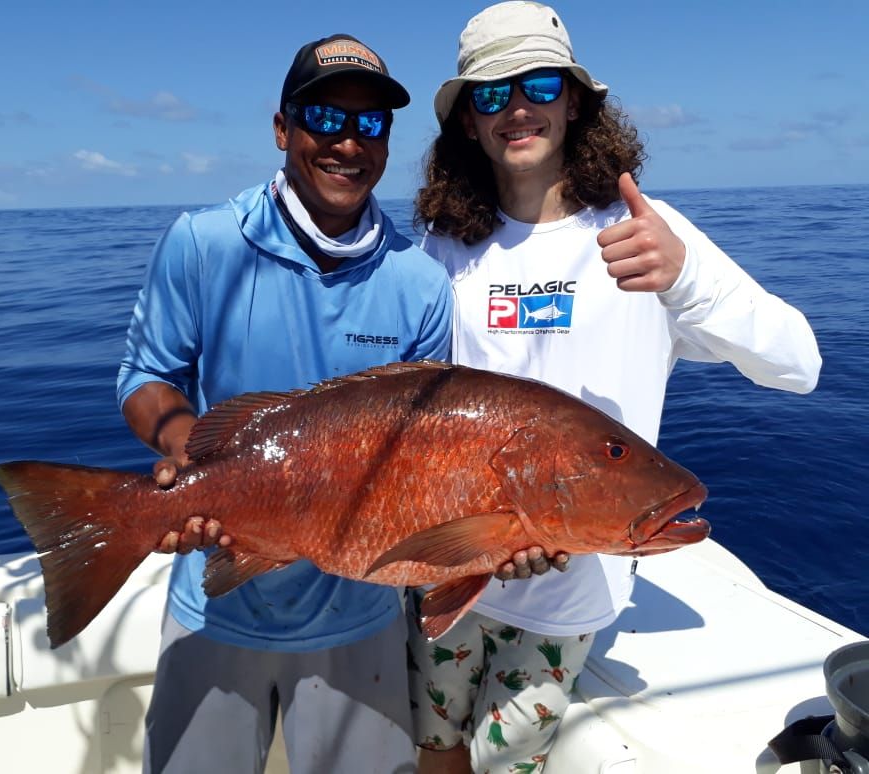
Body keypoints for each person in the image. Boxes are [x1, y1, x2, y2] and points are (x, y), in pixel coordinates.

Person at [407, 3, 823, 773]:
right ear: (468, 121)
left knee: (506, 765)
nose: (517, 107)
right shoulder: (441, 248)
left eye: (537, 83)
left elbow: (799, 365)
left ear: (574, 101)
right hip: (446, 566)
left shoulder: (647, 235)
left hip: (569, 604)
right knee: (434, 753)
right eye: (491, 93)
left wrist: (690, 283)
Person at [115, 32, 454, 774]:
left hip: (358, 616)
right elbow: (145, 374)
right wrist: (185, 459)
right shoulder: (203, 244)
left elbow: (426, 459)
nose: (348, 143)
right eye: (324, 118)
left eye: (370, 124)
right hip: (216, 603)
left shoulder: (421, 285)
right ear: (282, 128)